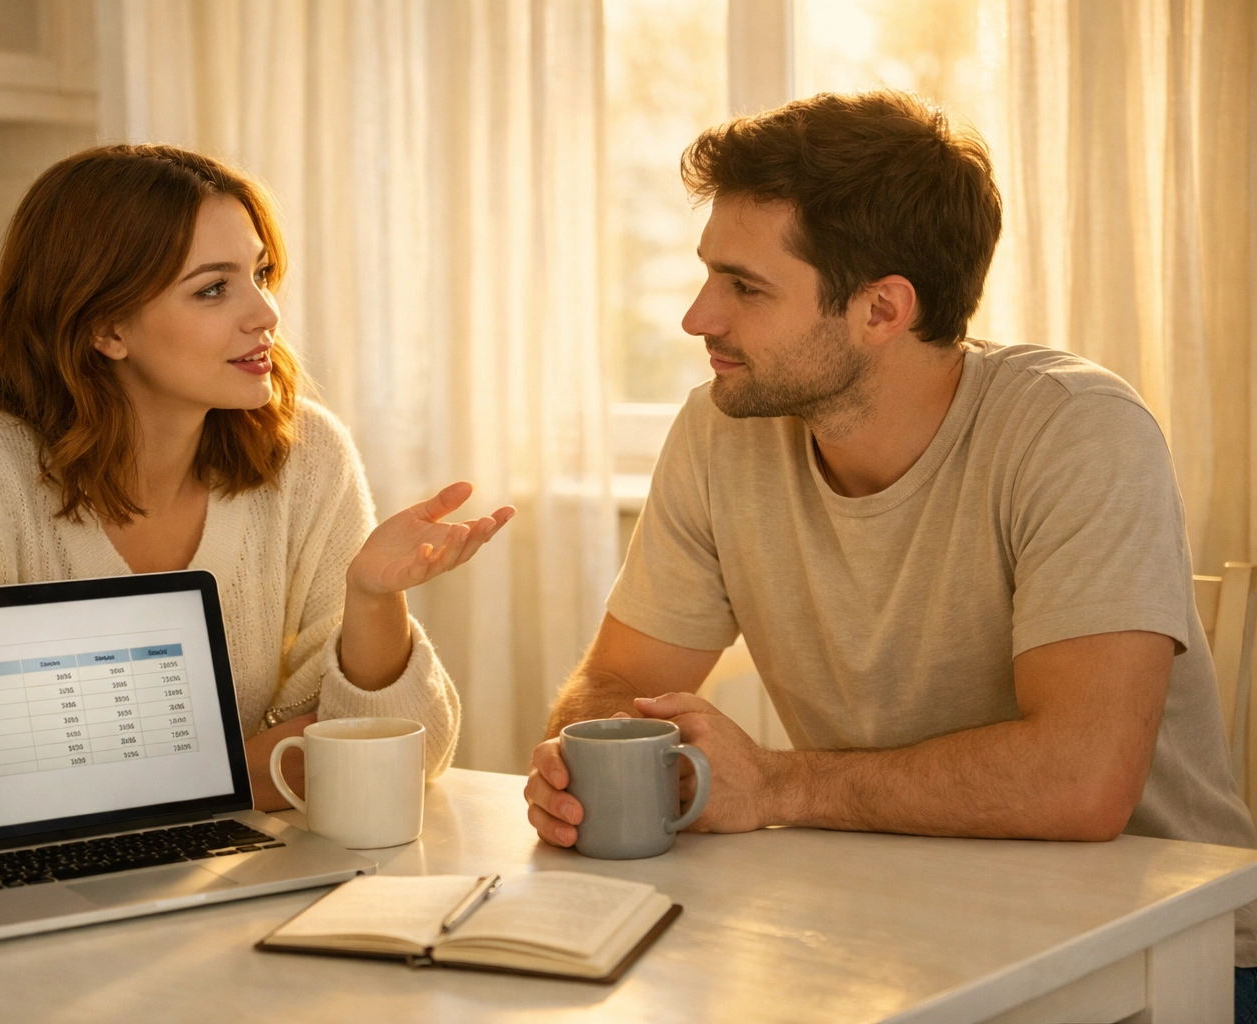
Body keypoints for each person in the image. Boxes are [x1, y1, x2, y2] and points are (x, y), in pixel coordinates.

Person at [522, 90, 1257, 1000]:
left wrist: (778, 786)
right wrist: (585, 762)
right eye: (710, 274)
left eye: (745, 287)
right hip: (887, 934)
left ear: (882, 309)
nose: (698, 318)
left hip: (1156, 960)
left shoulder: (1078, 432)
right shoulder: (722, 432)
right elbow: (616, 684)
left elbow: (1082, 780)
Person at [0, 143, 513, 844]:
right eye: (212, 288)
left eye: (260, 274)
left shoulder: (308, 457)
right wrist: (235, 773)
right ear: (106, 327)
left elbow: (400, 761)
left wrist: (373, 599)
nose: (264, 312)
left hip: (233, 892)